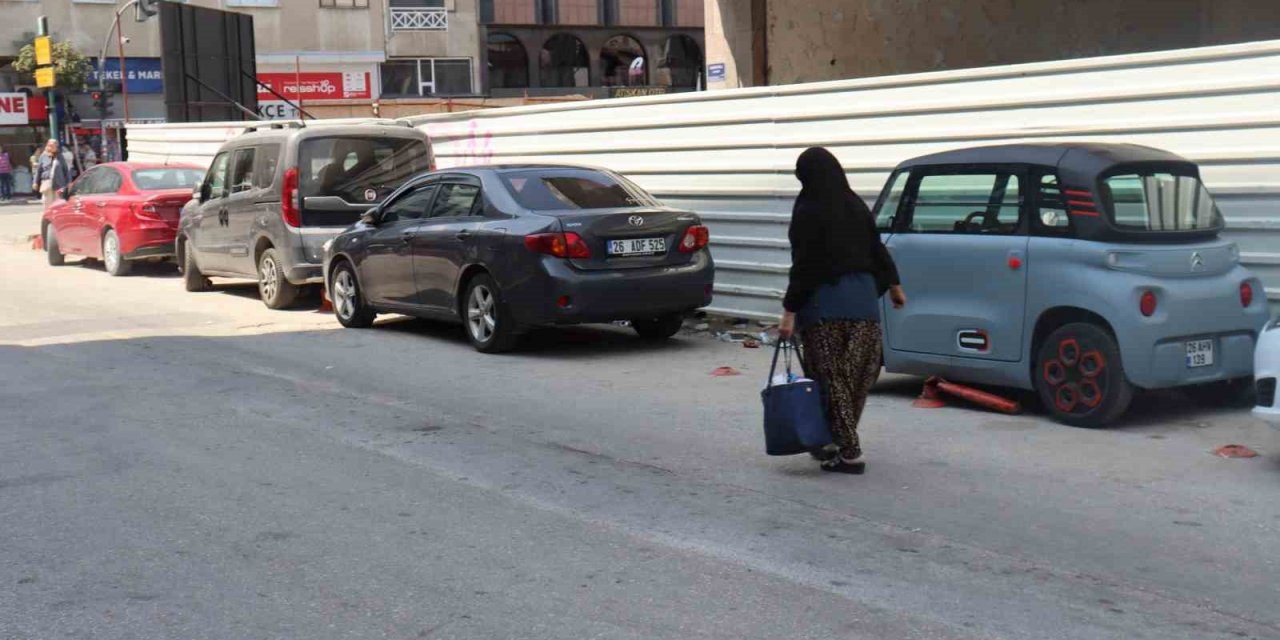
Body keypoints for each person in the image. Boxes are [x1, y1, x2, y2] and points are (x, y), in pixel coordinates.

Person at [777, 147, 907, 474]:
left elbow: (805, 264)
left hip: (825, 306)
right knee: (855, 382)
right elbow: (875, 247)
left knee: (832, 381)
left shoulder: (807, 209)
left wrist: (789, 311)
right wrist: (894, 285)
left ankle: (849, 452)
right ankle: (835, 441)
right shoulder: (855, 205)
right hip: (865, 305)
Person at [33, 140, 72, 211]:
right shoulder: (43, 156)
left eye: (54, 146)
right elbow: (38, 171)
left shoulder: (60, 156)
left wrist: (69, 182)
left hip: (59, 184)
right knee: (47, 204)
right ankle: (48, 220)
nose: (51, 148)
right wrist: (35, 182)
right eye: (50, 146)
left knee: (58, 204)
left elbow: (66, 170)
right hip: (47, 183)